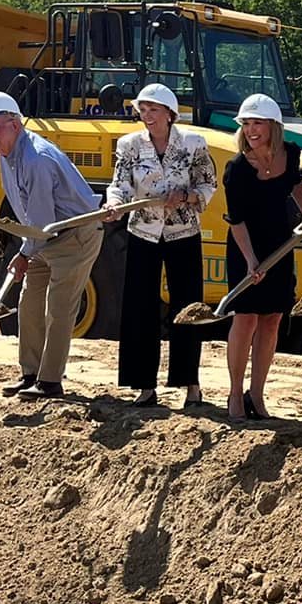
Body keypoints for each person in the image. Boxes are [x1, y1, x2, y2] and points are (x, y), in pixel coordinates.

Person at [0, 89, 101, 401]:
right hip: (44, 237)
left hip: (74, 235)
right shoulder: (6, 156)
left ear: (15, 125)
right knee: (29, 305)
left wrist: (23, 253)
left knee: (59, 310)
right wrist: (26, 251)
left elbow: (42, 221)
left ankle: (50, 381)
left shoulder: (36, 159)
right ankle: (30, 373)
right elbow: (29, 214)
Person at [104, 82, 218, 408]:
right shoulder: (129, 145)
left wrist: (185, 197)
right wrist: (113, 203)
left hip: (183, 231)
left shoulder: (193, 144)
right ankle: (143, 385)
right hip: (143, 231)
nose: (147, 115)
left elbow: (207, 184)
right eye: (143, 110)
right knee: (139, 307)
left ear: (169, 114)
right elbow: (120, 184)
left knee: (187, 307)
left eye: (154, 110)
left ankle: (190, 383)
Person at [220, 92, 302, 422]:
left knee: (272, 318)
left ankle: (256, 394)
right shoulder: (237, 170)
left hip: (280, 245)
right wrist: (250, 261)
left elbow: (296, 182)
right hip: (247, 249)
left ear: (273, 126)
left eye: (257, 123)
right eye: (246, 124)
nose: (250, 129)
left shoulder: (290, 153)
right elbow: (237, 221)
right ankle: (234, 393)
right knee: (245, 318)